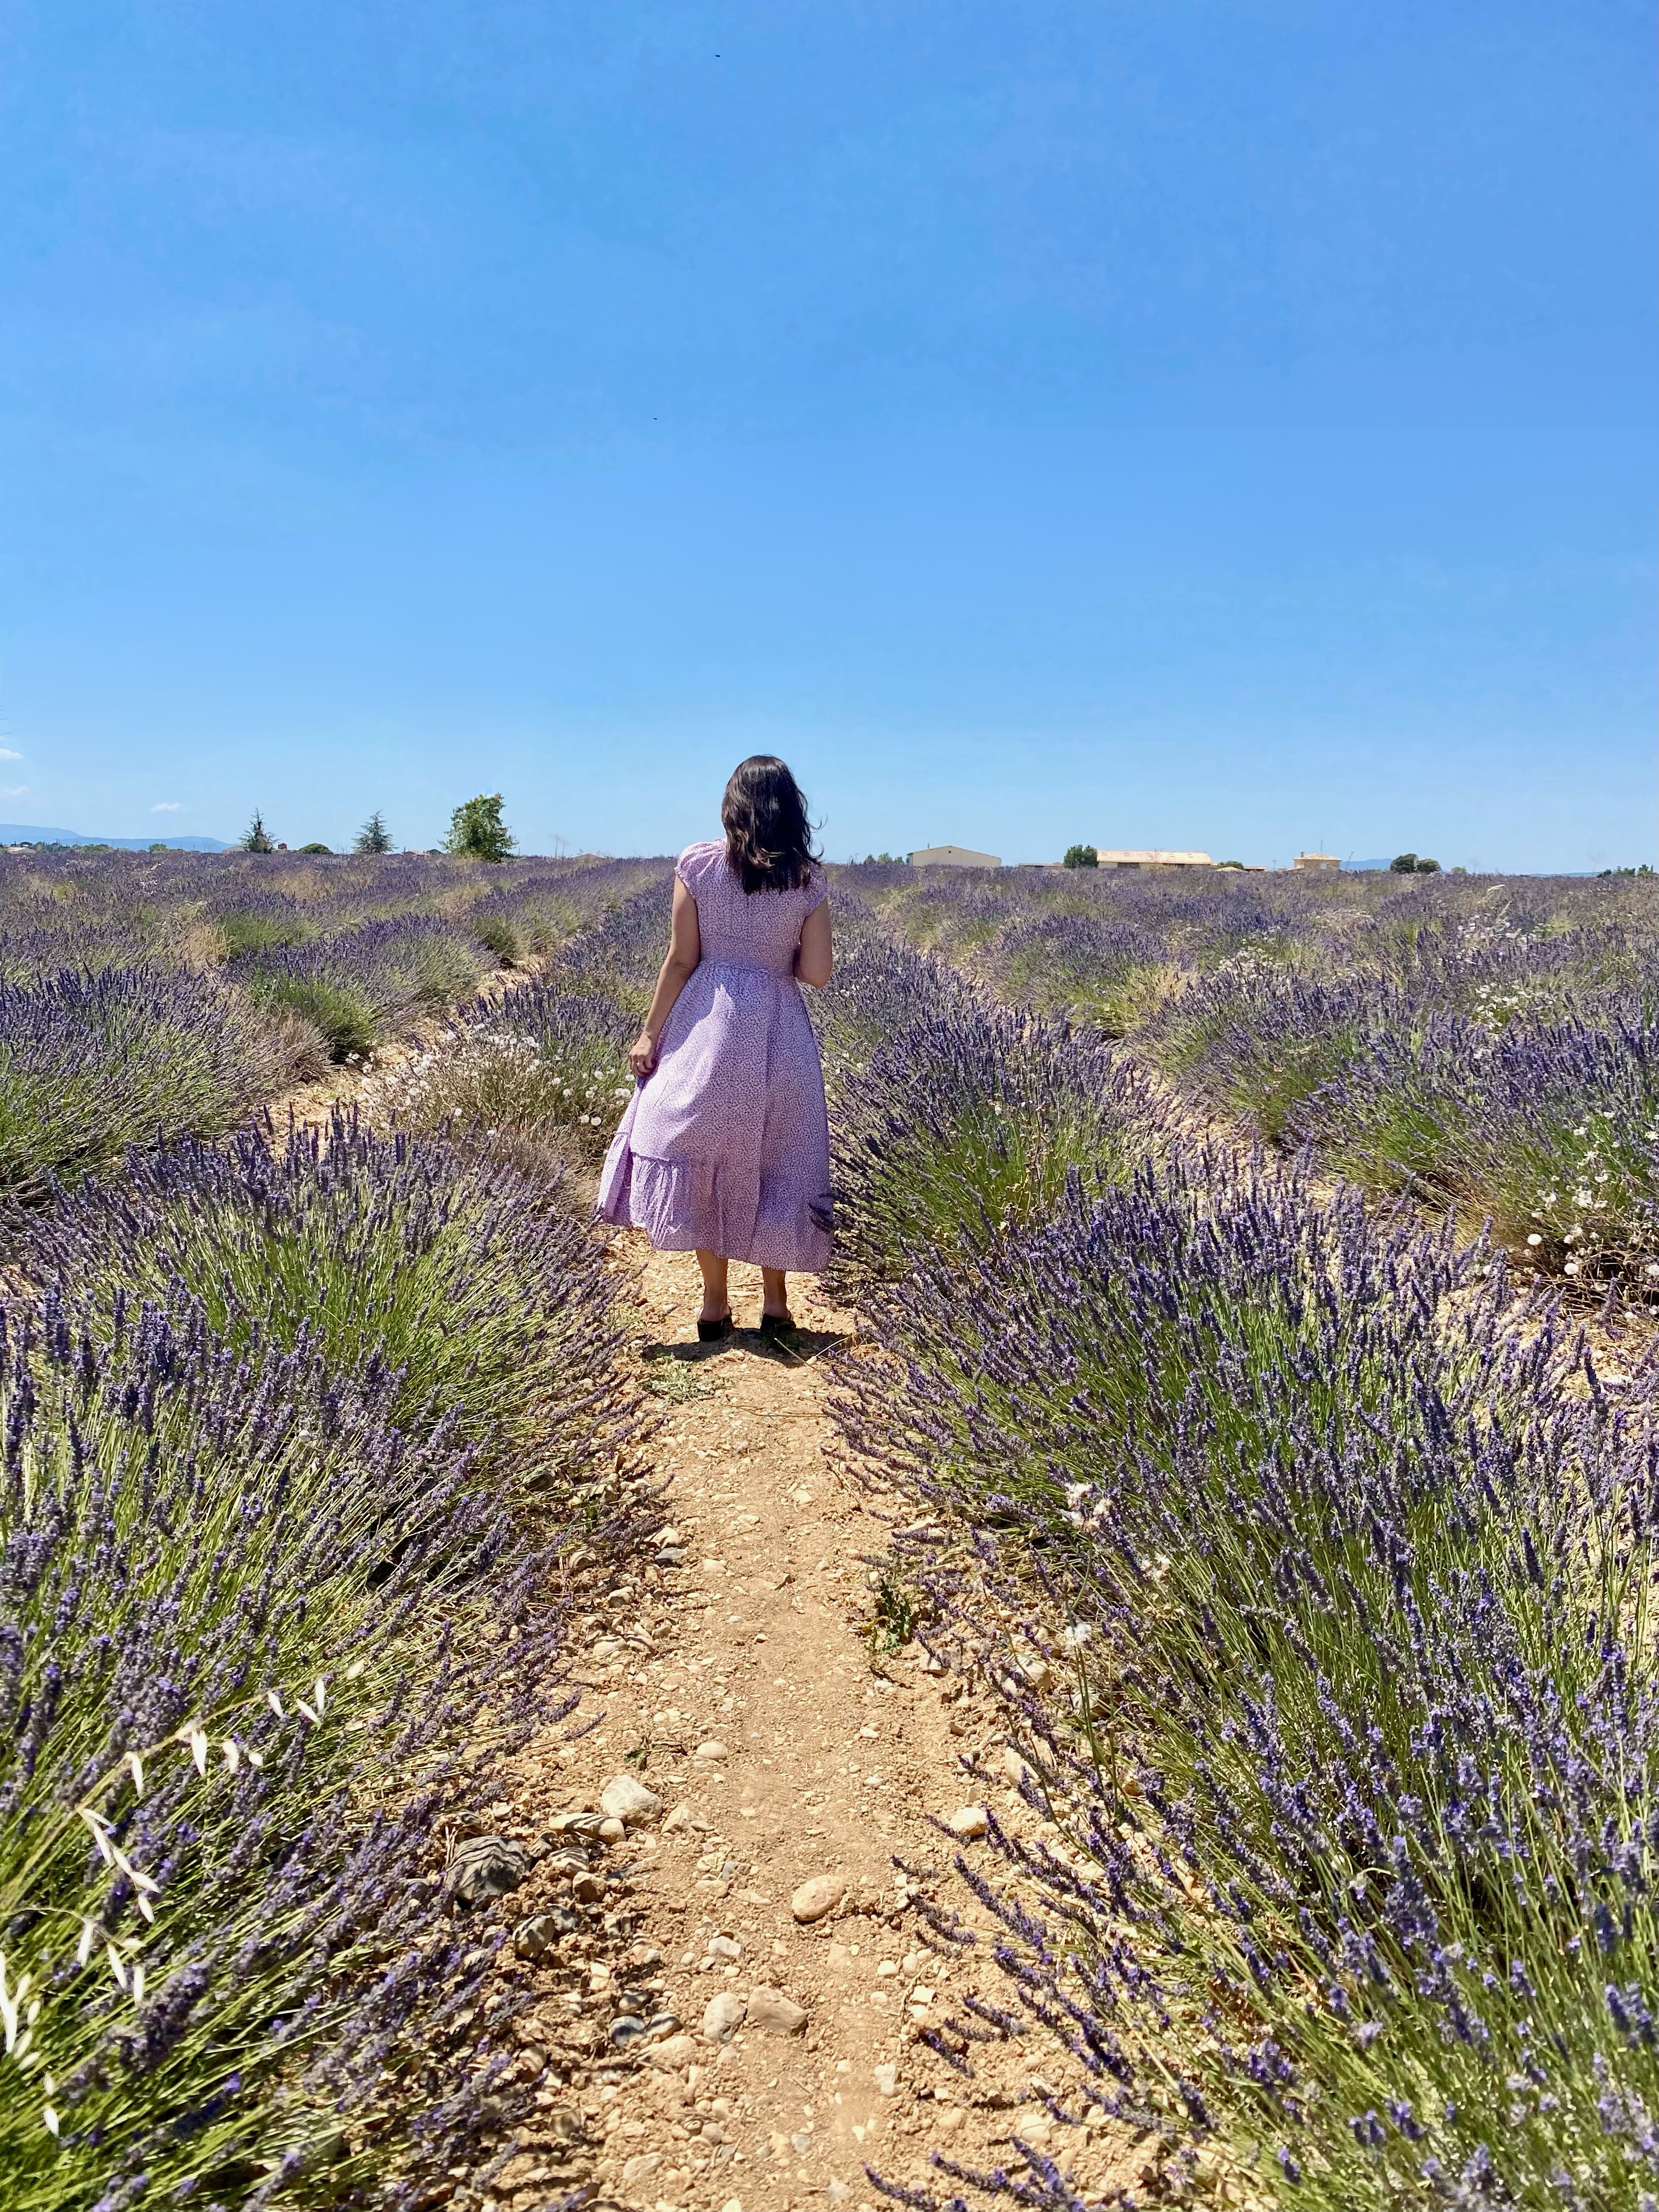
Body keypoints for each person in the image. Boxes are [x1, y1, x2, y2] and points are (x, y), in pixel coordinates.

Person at [597, 757, 834, 1340]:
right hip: (779, 1032)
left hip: (708, 1025)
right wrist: (775, 954)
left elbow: (681, 959)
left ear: (733, 804)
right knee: (781, 1160)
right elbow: (819, 974)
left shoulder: (698, 865)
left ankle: (714, 1306)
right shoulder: (807, 880)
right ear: (792, 808)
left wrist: (650, 1032)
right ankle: (776, 1308)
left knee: (703, 1153)